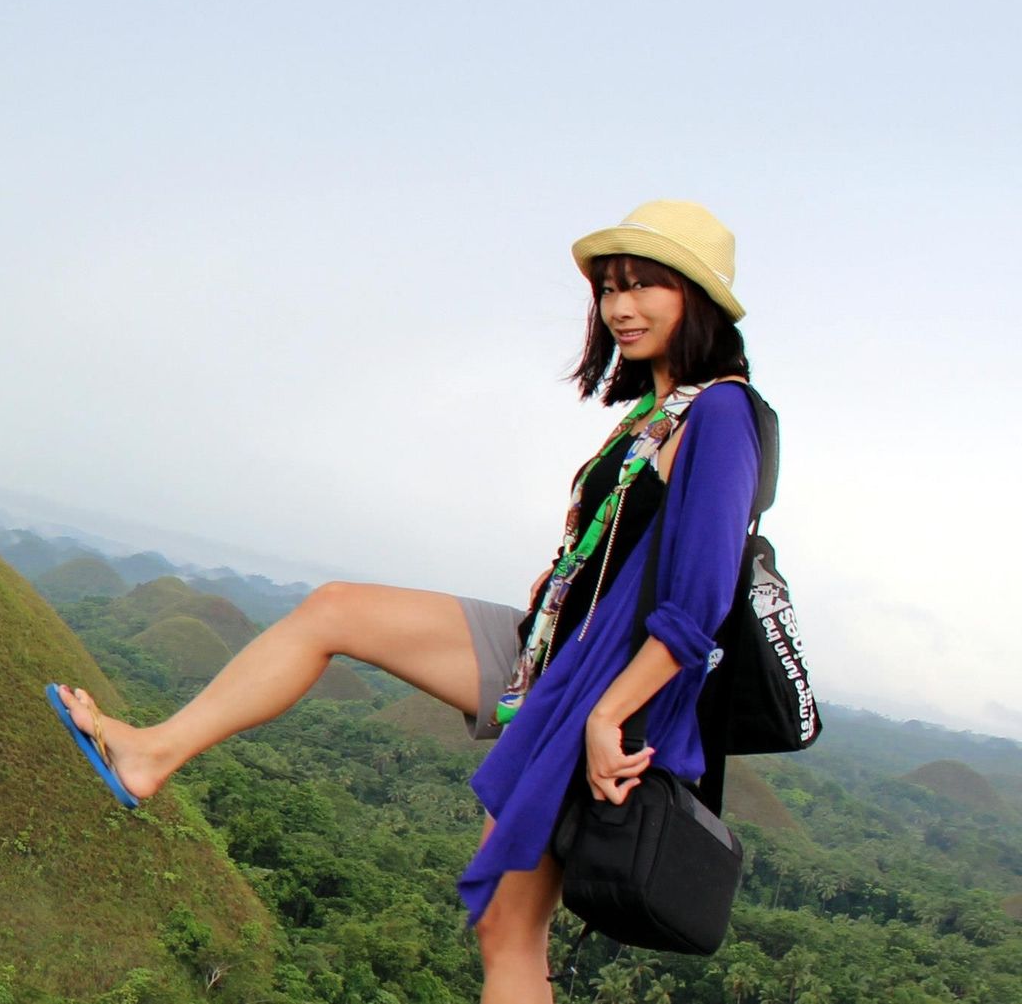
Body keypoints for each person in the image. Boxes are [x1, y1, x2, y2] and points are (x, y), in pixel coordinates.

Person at [48, 200, 761, 1003]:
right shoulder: (657, 412)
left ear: (695, 296)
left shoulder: (723, 412)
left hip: (606, 698)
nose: (620, 308)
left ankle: (149, 757)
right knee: (334, 608)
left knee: (509, 932)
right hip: (550, 657)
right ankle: (151, 755)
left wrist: (606, 716)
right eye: (610, 289)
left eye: (645, 288)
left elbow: (698, 603)